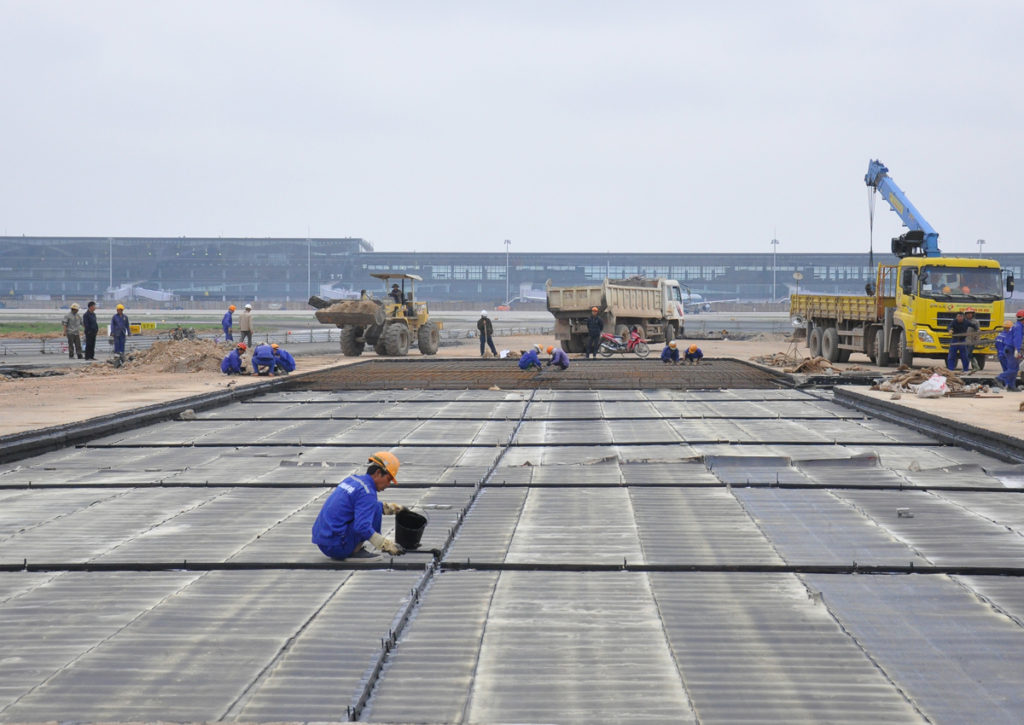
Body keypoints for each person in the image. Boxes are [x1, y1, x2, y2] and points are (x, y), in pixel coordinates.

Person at [311, 451, 406, 559]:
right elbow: (362, 527)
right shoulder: (368, 492)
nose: (388, 484)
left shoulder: (352, 480)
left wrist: (393, 509)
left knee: (373, 507)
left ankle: (350, 546)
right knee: (371, 514)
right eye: (388, 479)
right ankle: (355, 551)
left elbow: (362, 504)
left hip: (324, 542)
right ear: (378, 473)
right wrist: (387, 545)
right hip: (337, 547)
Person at [994, 311, 1024, 391]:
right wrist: (1017, 349)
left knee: (1013, 368)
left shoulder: (1016, 325)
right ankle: (999, 378)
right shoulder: (1018, 327)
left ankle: (1011, 386)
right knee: (1013, 369)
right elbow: (1017, 339)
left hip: (1008, 348)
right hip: (1012, 349)